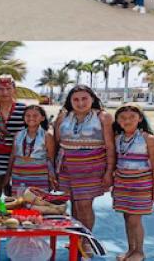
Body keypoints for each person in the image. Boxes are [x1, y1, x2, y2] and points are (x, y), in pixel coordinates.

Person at [54, 85, 115, 257]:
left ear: (92, 99)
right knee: (73, 202)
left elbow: (110, 146)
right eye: (76, 99)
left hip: (92, 167)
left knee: (84, 204)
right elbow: (57, 142)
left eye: (84, 98)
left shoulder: (103, 117)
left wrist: (109, 171)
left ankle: (87, 240)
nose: (80, 103)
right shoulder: (63, 116)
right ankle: (76, 238)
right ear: (70, 101)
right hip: (67, 166)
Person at [112, 105, 154, 261]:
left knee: (135, 219)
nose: (127, 120)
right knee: (127, 218)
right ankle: (130, 250)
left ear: (140, 119)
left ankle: (139, 251)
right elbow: (116, 162)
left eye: (132, 117)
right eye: (123, 118)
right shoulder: (117, 138)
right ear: (118, 121)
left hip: (141, 185)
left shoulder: (148, 138)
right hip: (122, 184)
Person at [4, 105, 56, 193]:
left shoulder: (47, 136)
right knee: (19, 202)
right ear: (23, 118)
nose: (31, 118)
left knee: (38, 202)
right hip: (19, 175)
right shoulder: (18, 135)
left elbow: (51, 159)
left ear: (42, 118)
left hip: (39, 176)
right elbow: (13, 157)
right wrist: (7, 176)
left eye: (35, 115)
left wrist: (52, 178)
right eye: (27, 115)